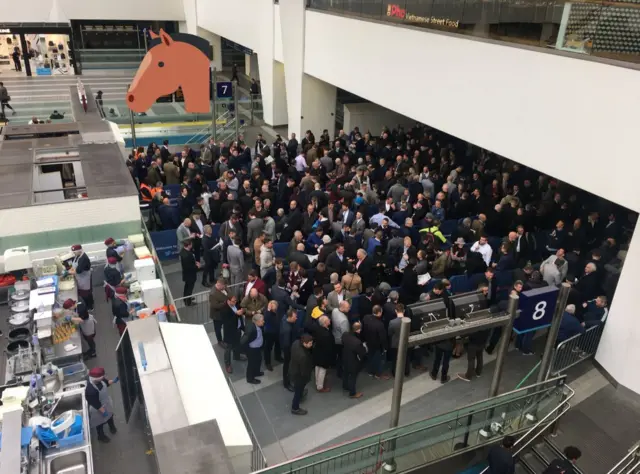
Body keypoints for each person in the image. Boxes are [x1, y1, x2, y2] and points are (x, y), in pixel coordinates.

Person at [85, 367, 119, 443]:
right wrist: (104, 412)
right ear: (96, 378)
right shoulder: (90, 390)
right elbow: (96, 404)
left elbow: (106, 383)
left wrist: (114, 381)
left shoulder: (100, 379)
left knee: (110, 416)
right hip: (97, 409)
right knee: (99, 422)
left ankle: (112, 427)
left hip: (106, 402)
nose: (103, 378)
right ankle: (101, 436)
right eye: (102, 377)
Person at [362, 305, 389, 379]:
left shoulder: (366, 317)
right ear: (379, 312)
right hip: (377, 346)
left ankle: (370, 372)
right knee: (380, 360)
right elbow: (383, 338)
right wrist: (385, 347)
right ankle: (378, 374)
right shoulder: (380, 325)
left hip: (368, 342)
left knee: (370, 358)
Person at [289, 334, 314, 415]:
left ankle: (301, 394)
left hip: (293, 369)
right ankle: (295, 408)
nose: (311, 345)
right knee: (298, 391)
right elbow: (304, 370)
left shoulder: (296, 343)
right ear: (304, 343)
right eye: (310, 343)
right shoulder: (303, 356)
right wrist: (307, 377)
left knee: (298, 388)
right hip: (299, 376)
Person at [221, 295, 246, 373]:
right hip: (230, 332)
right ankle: (227, 365)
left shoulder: (236, 305)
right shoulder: (224, 309)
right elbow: (227, 322)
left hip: (237, 329)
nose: (235, 303)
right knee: (228, 348)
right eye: (233, 301)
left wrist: (241, 312)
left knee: (237, 344)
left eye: (235, 301)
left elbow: (239, 314)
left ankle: (237, 356)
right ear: (228, 301)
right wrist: (236, 314)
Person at [309, 315, 334, 392]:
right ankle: (320, 387)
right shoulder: (326, 334)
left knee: (317, 368)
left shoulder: (318, 329)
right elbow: (328, 346)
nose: (330, 320)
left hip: (317, 352)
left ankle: (317, 382)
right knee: (322, 370)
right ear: (325, 323)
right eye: (328, 320)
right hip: (324, 355)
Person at [342, 322, 366, 399]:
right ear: (358, 330)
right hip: (353, 361)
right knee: (353, 377)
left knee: (345, 373)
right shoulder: (357, 342)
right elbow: (362, 353)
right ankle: (352, 393)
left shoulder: (345, 335)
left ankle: (345, 386)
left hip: (345, 358)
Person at [280, 308, 301, 391]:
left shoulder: (285, 318)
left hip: (289, 344)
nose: (296, 318)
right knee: (287, 365)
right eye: (295, 317)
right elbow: (286, 344)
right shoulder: (287, 330)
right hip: (288, 349)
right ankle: (286, 383)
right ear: (290, 317)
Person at [241, 313, 265, 384]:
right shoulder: (251, 330)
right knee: (251, 363)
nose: (264, 322)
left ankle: (256, 372)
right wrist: (247, 351)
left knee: (258, 360)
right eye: (262, 321)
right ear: (257, 322)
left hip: (257, 348)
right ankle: (250, 378)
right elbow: (243, 341)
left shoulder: (259, 326)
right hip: (252, 350)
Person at [69, 244, 94, 311]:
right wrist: (71, 269)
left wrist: (68, 273)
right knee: (85, 293)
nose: (73, 253)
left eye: (74, 252)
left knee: (86, 293)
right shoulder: (78, 255)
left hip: (84, 278)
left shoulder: (83, 258)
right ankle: (89, 303)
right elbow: (74, 265)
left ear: (79, 251)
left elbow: (79, 271)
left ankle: (90, 307)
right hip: (80, 278)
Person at [388, 304, 411, 377]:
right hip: (405, 342)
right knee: (406, 358)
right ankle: (406, 372)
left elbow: (390, 333)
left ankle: (395, 373)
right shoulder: (408, 320)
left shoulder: (392, 322)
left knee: (395, 360)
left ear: (395, 311)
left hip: (395, 343)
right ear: (403, 310)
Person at [331, 301, 351, 378]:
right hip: (340, 341)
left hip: (334, 336)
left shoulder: (334, 310)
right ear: (342, 308)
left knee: (338, 356)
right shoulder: (344, 320)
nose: (349, 309)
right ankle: (341, 373)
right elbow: (345, 335)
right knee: (341, 357)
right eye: (348, 307)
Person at [209, 278, 228, 345]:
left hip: (224, 313)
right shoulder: (213, 294)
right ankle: (219, 341)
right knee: (218, 329)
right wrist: (226, 303)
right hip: (217, 315)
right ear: (219, 285)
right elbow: (215, 306)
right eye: (223, 286)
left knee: (226, 326)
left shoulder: (222, 288)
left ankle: (225, 339)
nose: (225, 288)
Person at [180, 240, 199, 304]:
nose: (192, 245)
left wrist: (194, 262)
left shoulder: (183, 251)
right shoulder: (188, 255)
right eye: (191, 244)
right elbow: (189, 267)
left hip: (186, 274)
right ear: (188, 245)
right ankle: (188, 302)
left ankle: (186, 298)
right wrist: (197, 266)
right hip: (190, 275)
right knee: (189, 288)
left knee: (186, 287)